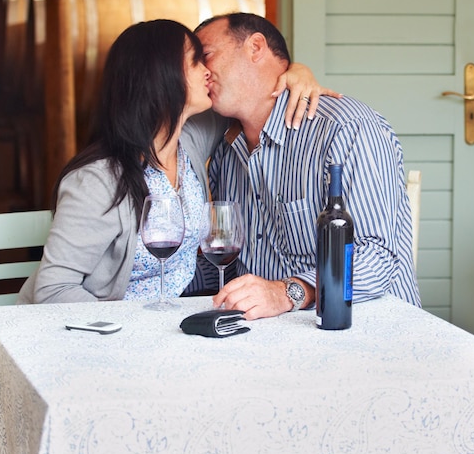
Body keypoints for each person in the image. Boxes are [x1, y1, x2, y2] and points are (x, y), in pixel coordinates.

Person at [17, 19, 333, 304]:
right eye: (196, 61)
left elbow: (250, 95)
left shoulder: (188, 142)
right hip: (99, 333)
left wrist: (296, 72)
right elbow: (54, 289)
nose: (207, 70)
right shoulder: (98, 181)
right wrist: (129, 331)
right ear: (160, 75)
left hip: (164, 321)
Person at [194, 12, 421, 320]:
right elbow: (223, 263)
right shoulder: (224, 148)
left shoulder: (346, 129)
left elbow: (376, 256)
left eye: (206, 55)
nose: (202, 72)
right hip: (265, 333)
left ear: (255, 47)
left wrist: (288, 292)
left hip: (364, 327)